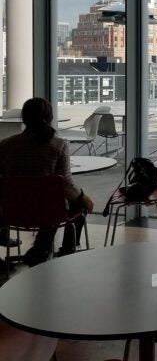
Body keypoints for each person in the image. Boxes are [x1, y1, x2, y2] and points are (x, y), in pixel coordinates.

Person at [0, 97, 94, 266]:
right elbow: (66, 185)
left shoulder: (5, 146)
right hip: (48, 212)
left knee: (45, 204)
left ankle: (39, 251)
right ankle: (64, 251)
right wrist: (84, 197)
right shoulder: (58, 145)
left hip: (13, 212)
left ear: (24, 118)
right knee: (74, 204)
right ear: (50, 117)